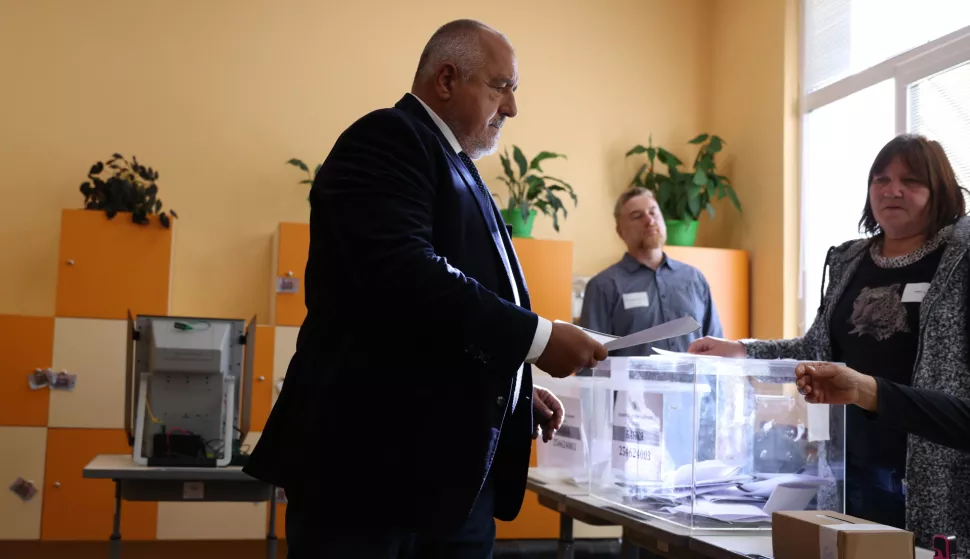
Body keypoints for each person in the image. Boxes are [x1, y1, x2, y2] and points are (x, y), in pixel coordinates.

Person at [242, 19, 607, 559]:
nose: (511, 109)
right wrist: (537, 339)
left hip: (439, 487)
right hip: (369, 477)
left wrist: (510, 390)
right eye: (501, 87)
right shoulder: (388, 138)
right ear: (446, 80)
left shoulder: (454, 162)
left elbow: (433, 327)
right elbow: (405, 275)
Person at [688, 134, 970, 547]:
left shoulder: (959, 261)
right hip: (849, 463)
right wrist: (742, 349)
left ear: (940, 190)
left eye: (911, 181)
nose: (892, 190)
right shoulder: (850, 260)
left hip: (932, 470)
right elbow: (818, 348)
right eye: (881, 179)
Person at [579, 187, 722, 355]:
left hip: (695, 382)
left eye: (653, 213)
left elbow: (717, 348)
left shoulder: (694, 278)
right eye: (637, 216)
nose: (649, 221)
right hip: (629, 382)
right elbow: (590, 361)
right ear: (620, 231)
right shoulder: (603, 286)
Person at [793, 362, 970, 452]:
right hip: (852, 461)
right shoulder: (841, 290)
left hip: (931, 469)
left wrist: (862, 390)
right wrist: (861, 390)